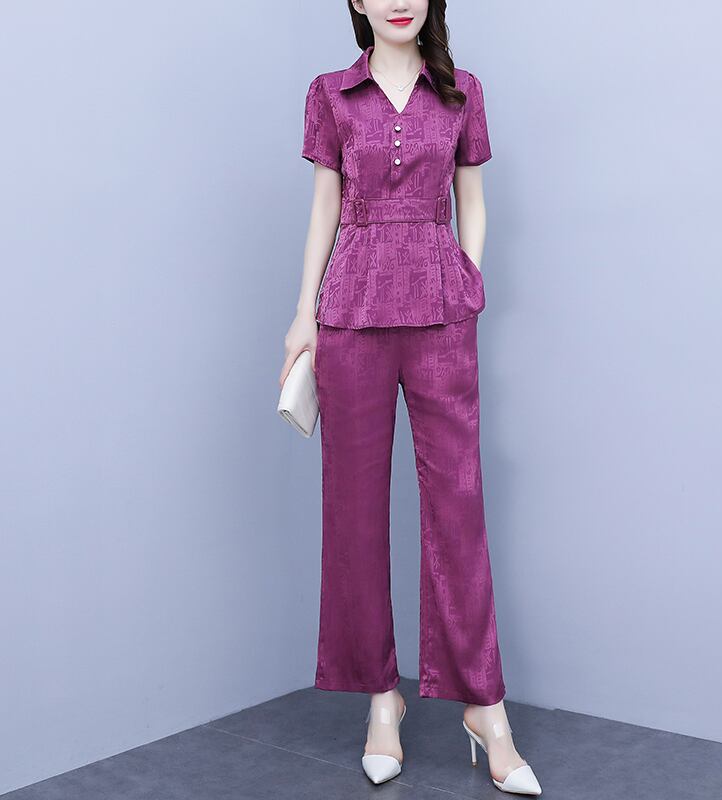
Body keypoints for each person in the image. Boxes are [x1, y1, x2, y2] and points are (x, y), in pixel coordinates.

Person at [279, 1, 542, 794]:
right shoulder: (330, 92)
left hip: (440, 315)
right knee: (354, 512)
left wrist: (465, 280)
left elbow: (474, 201)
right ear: (356, 1)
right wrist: (303, 315)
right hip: (350, 313)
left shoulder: (462, 90)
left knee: (458, 507)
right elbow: (324, 206)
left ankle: (485, 708)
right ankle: (381, 702)